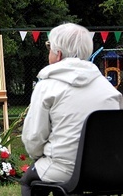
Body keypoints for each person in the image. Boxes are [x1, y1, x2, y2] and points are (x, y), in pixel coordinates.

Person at [20, 23, 123, 195]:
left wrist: (39, 157)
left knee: (29, 180)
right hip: (111, 170)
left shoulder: (47, 86)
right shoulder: (108, 88)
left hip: (64, 169)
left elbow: (33, 138)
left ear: (58, 54)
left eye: (49, 48)